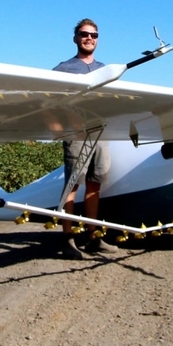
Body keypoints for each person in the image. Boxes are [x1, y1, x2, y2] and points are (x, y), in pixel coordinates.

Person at [53, 18, 119, 259]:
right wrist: (59, 127)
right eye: (84, 34)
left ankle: (93, 237)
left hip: (101, 133)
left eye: (94, 35)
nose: (89, 38)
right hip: (76, 135)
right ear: (75, 38)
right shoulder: (63, 68)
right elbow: (49, 101)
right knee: (72, 185)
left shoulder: (106, 69)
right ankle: (68, 239)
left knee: (95, 184)